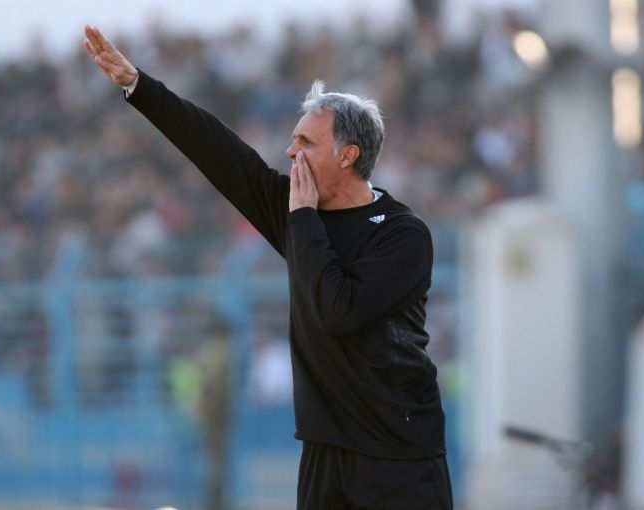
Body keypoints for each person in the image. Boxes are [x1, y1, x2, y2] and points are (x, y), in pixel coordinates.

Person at [83, 24, 452, 509]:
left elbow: (339, 310)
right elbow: (220, 153)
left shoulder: (403, 234)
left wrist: (303, 219)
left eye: (305, 142)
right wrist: (139, 85)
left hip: (397, 454)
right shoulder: (298, 210)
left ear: (348, 155)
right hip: (324, 450)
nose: (291, 152)